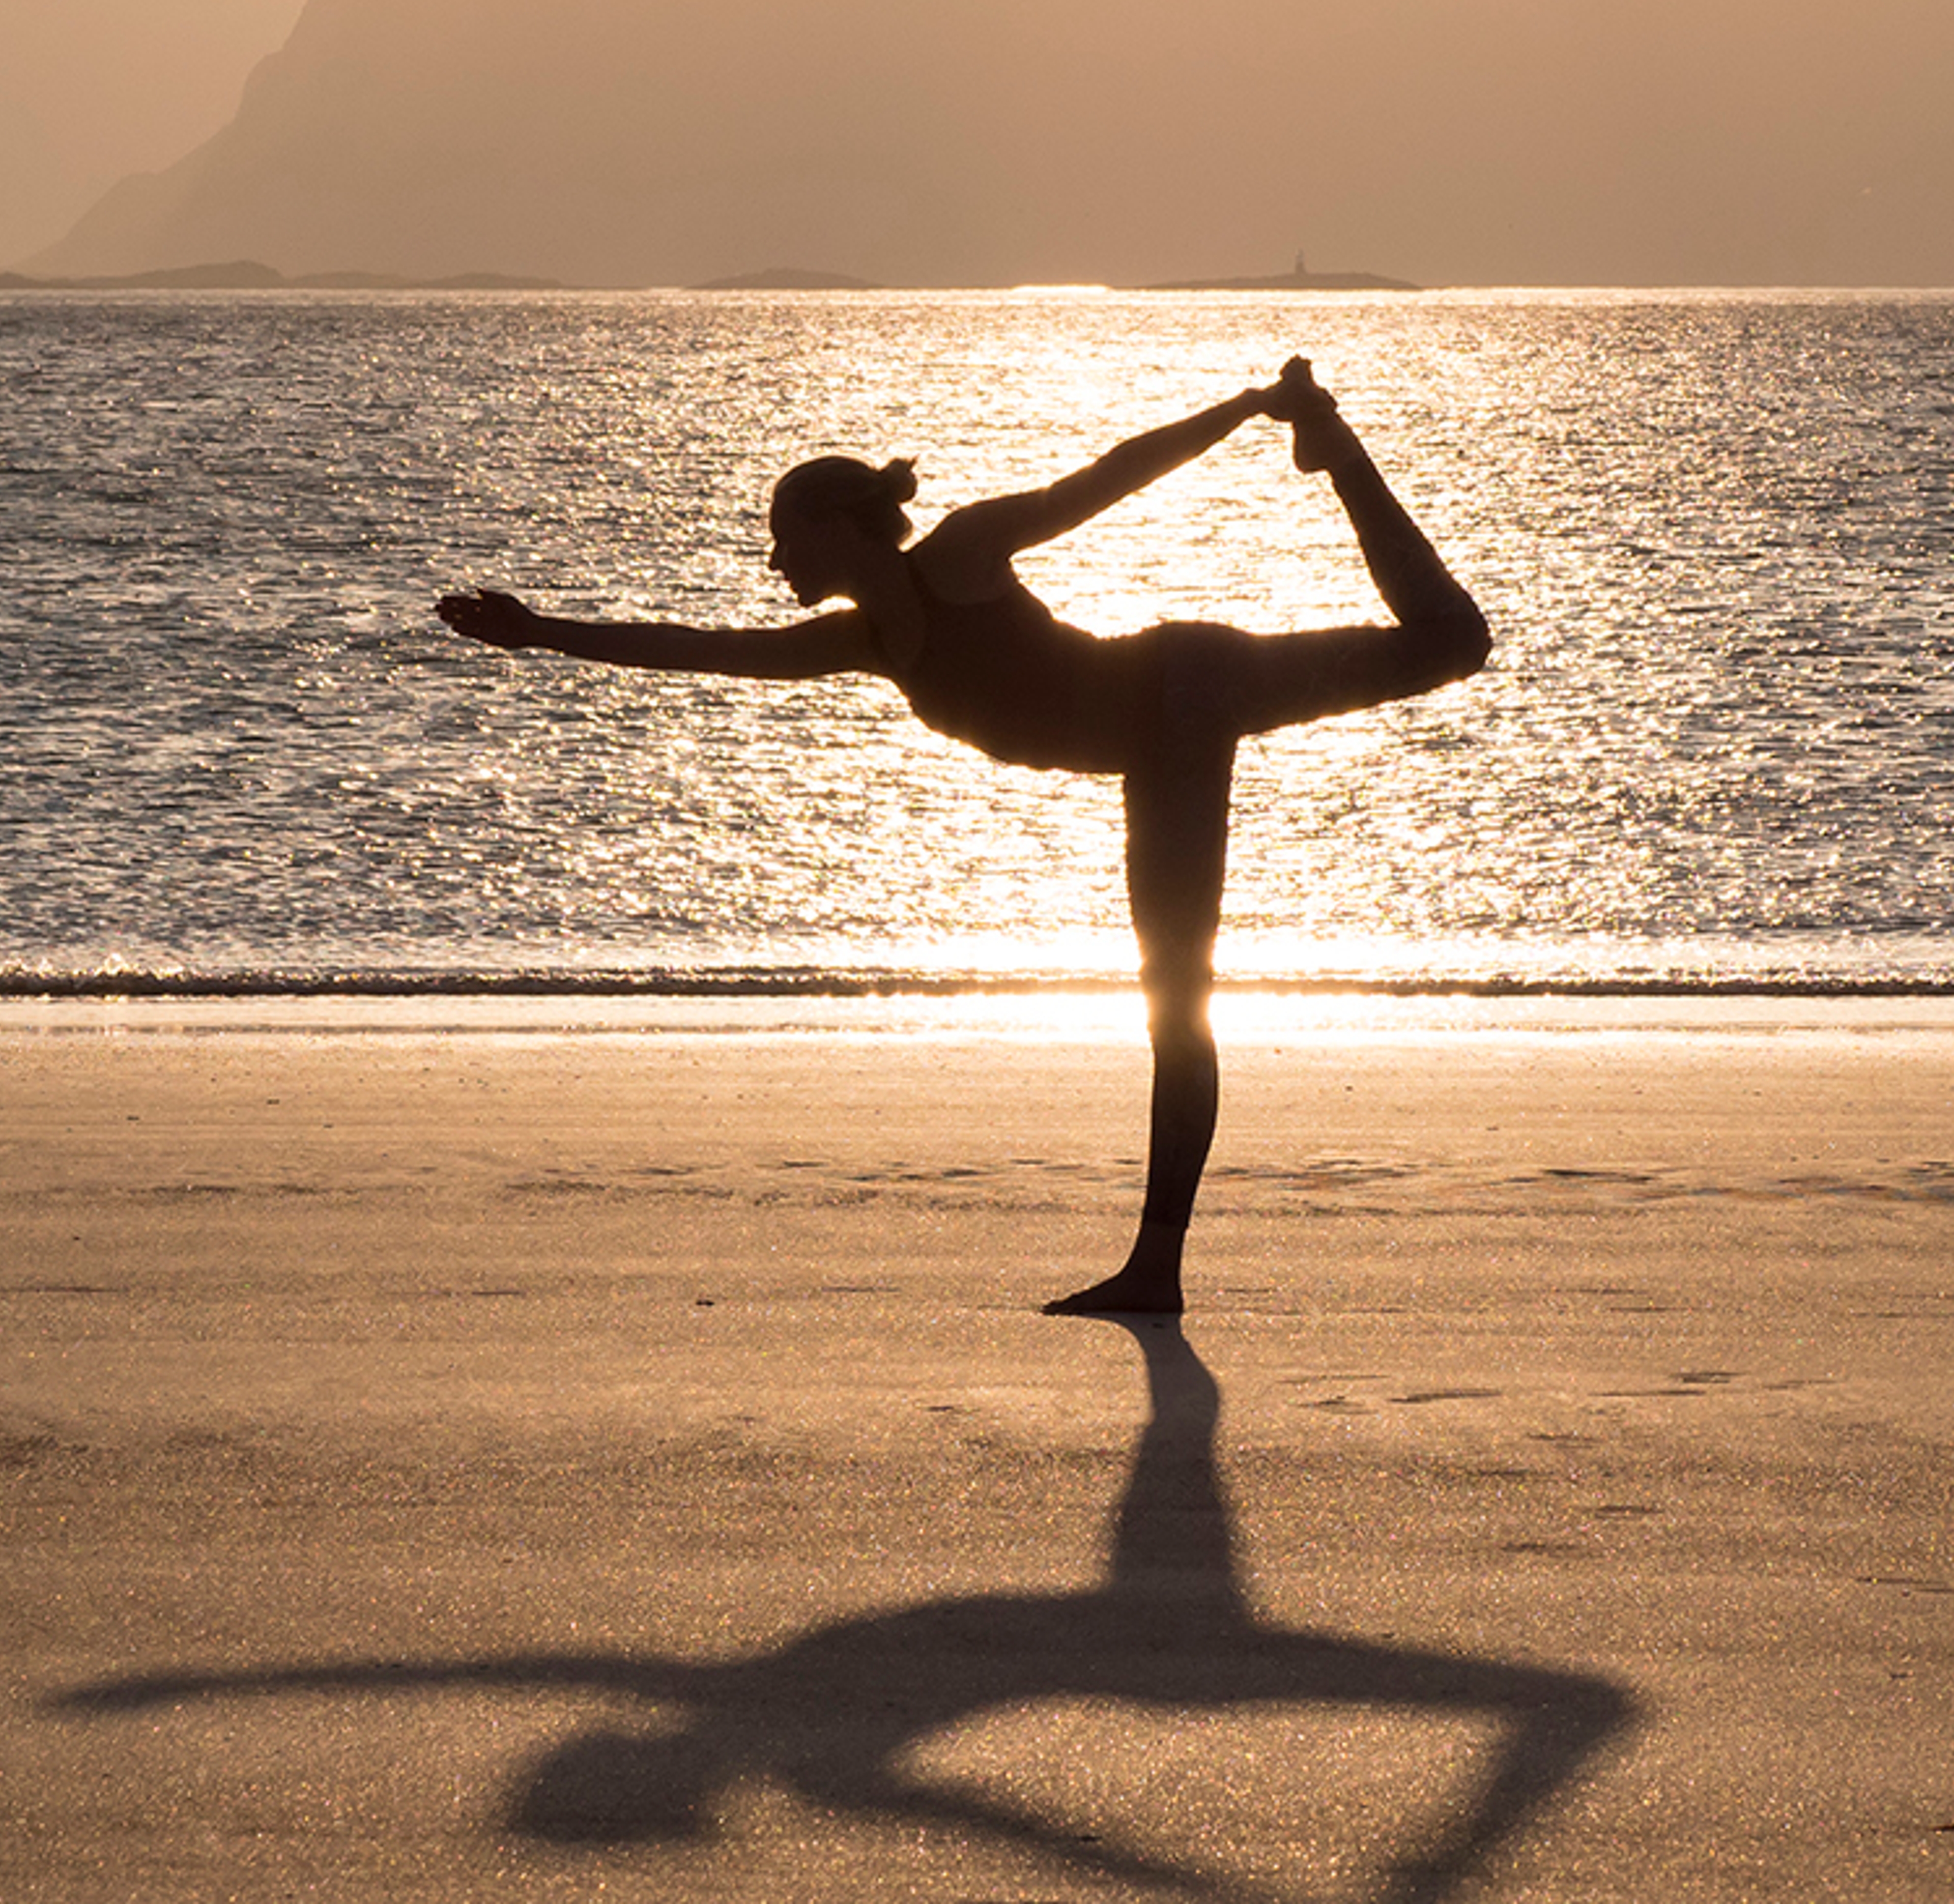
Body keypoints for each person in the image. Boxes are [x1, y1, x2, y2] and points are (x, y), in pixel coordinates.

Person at [436, 358, 1488, 1314]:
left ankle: (1324, 434)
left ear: (840, 528)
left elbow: (1112, 475)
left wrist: (1246, 409)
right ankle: (1155, 1268)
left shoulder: (967, 553)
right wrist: (540, 635)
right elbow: (702, 650)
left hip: (1184, 692)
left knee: (1441, 655)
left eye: (783, 536)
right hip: (1159, 732)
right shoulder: (862, 644)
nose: (772, 559)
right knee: (1179, 992)